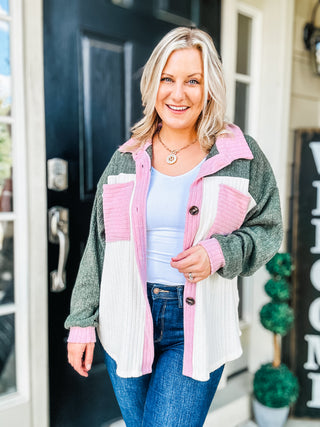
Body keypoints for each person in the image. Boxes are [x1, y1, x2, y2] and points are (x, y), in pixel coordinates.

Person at [65, 27, 283, 426]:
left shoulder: (242, 157)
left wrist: (220, 253)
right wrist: (81, 322)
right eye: (168, 79)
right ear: (153, 84)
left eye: (192, 81)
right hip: (126, 316)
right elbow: (98, 246)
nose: (178, 94)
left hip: (195, 327)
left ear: (209, 87)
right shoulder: (125, 159)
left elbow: (269, 230)